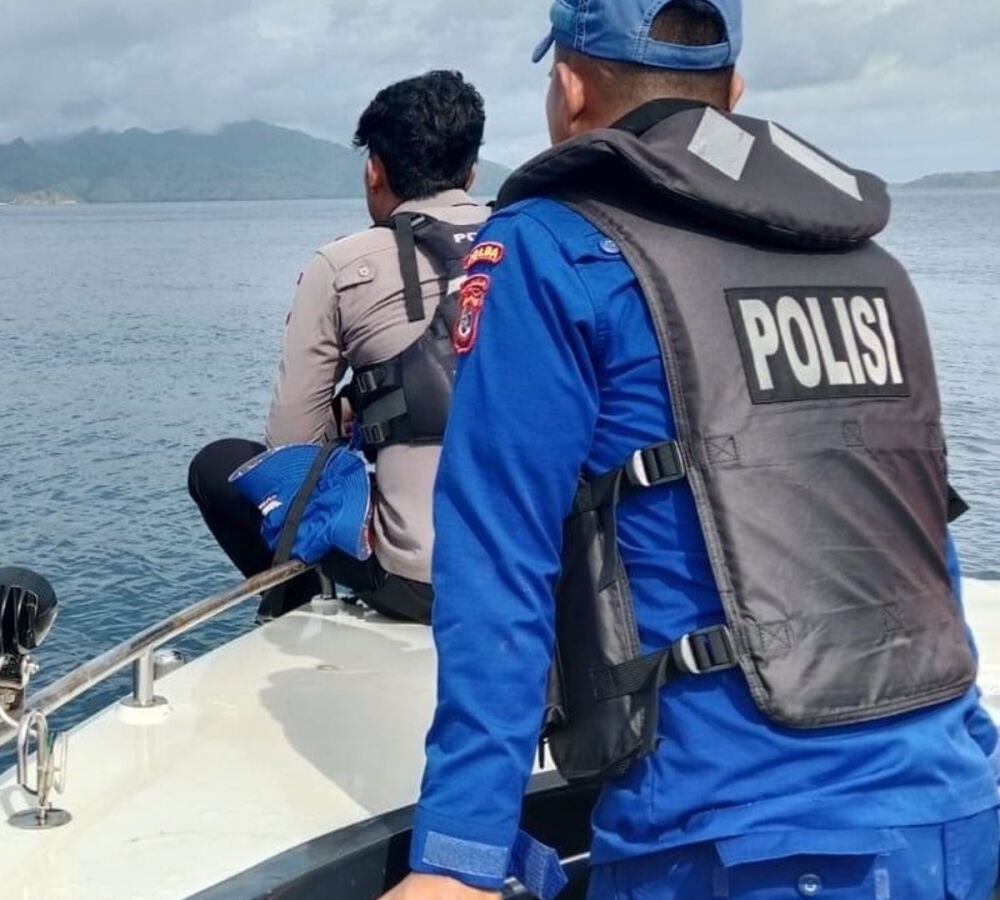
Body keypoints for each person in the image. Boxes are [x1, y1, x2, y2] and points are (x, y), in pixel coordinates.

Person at [384, 2, 1000, 899]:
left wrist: (460, 855)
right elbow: (920, 534)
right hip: (956, 813)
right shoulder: (873, 268)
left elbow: (497, 555)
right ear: (733, 91)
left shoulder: (551, 249)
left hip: (731, 843)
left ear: (569, 88)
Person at [188, 71, 490, 625]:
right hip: (541, 571)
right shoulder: (531, 243)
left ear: (374, 171)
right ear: (471, 173)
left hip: (418, 583)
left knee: (218, 466)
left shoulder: (342, 265)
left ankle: (295, 609)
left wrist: (364, 415)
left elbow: (289, 450)